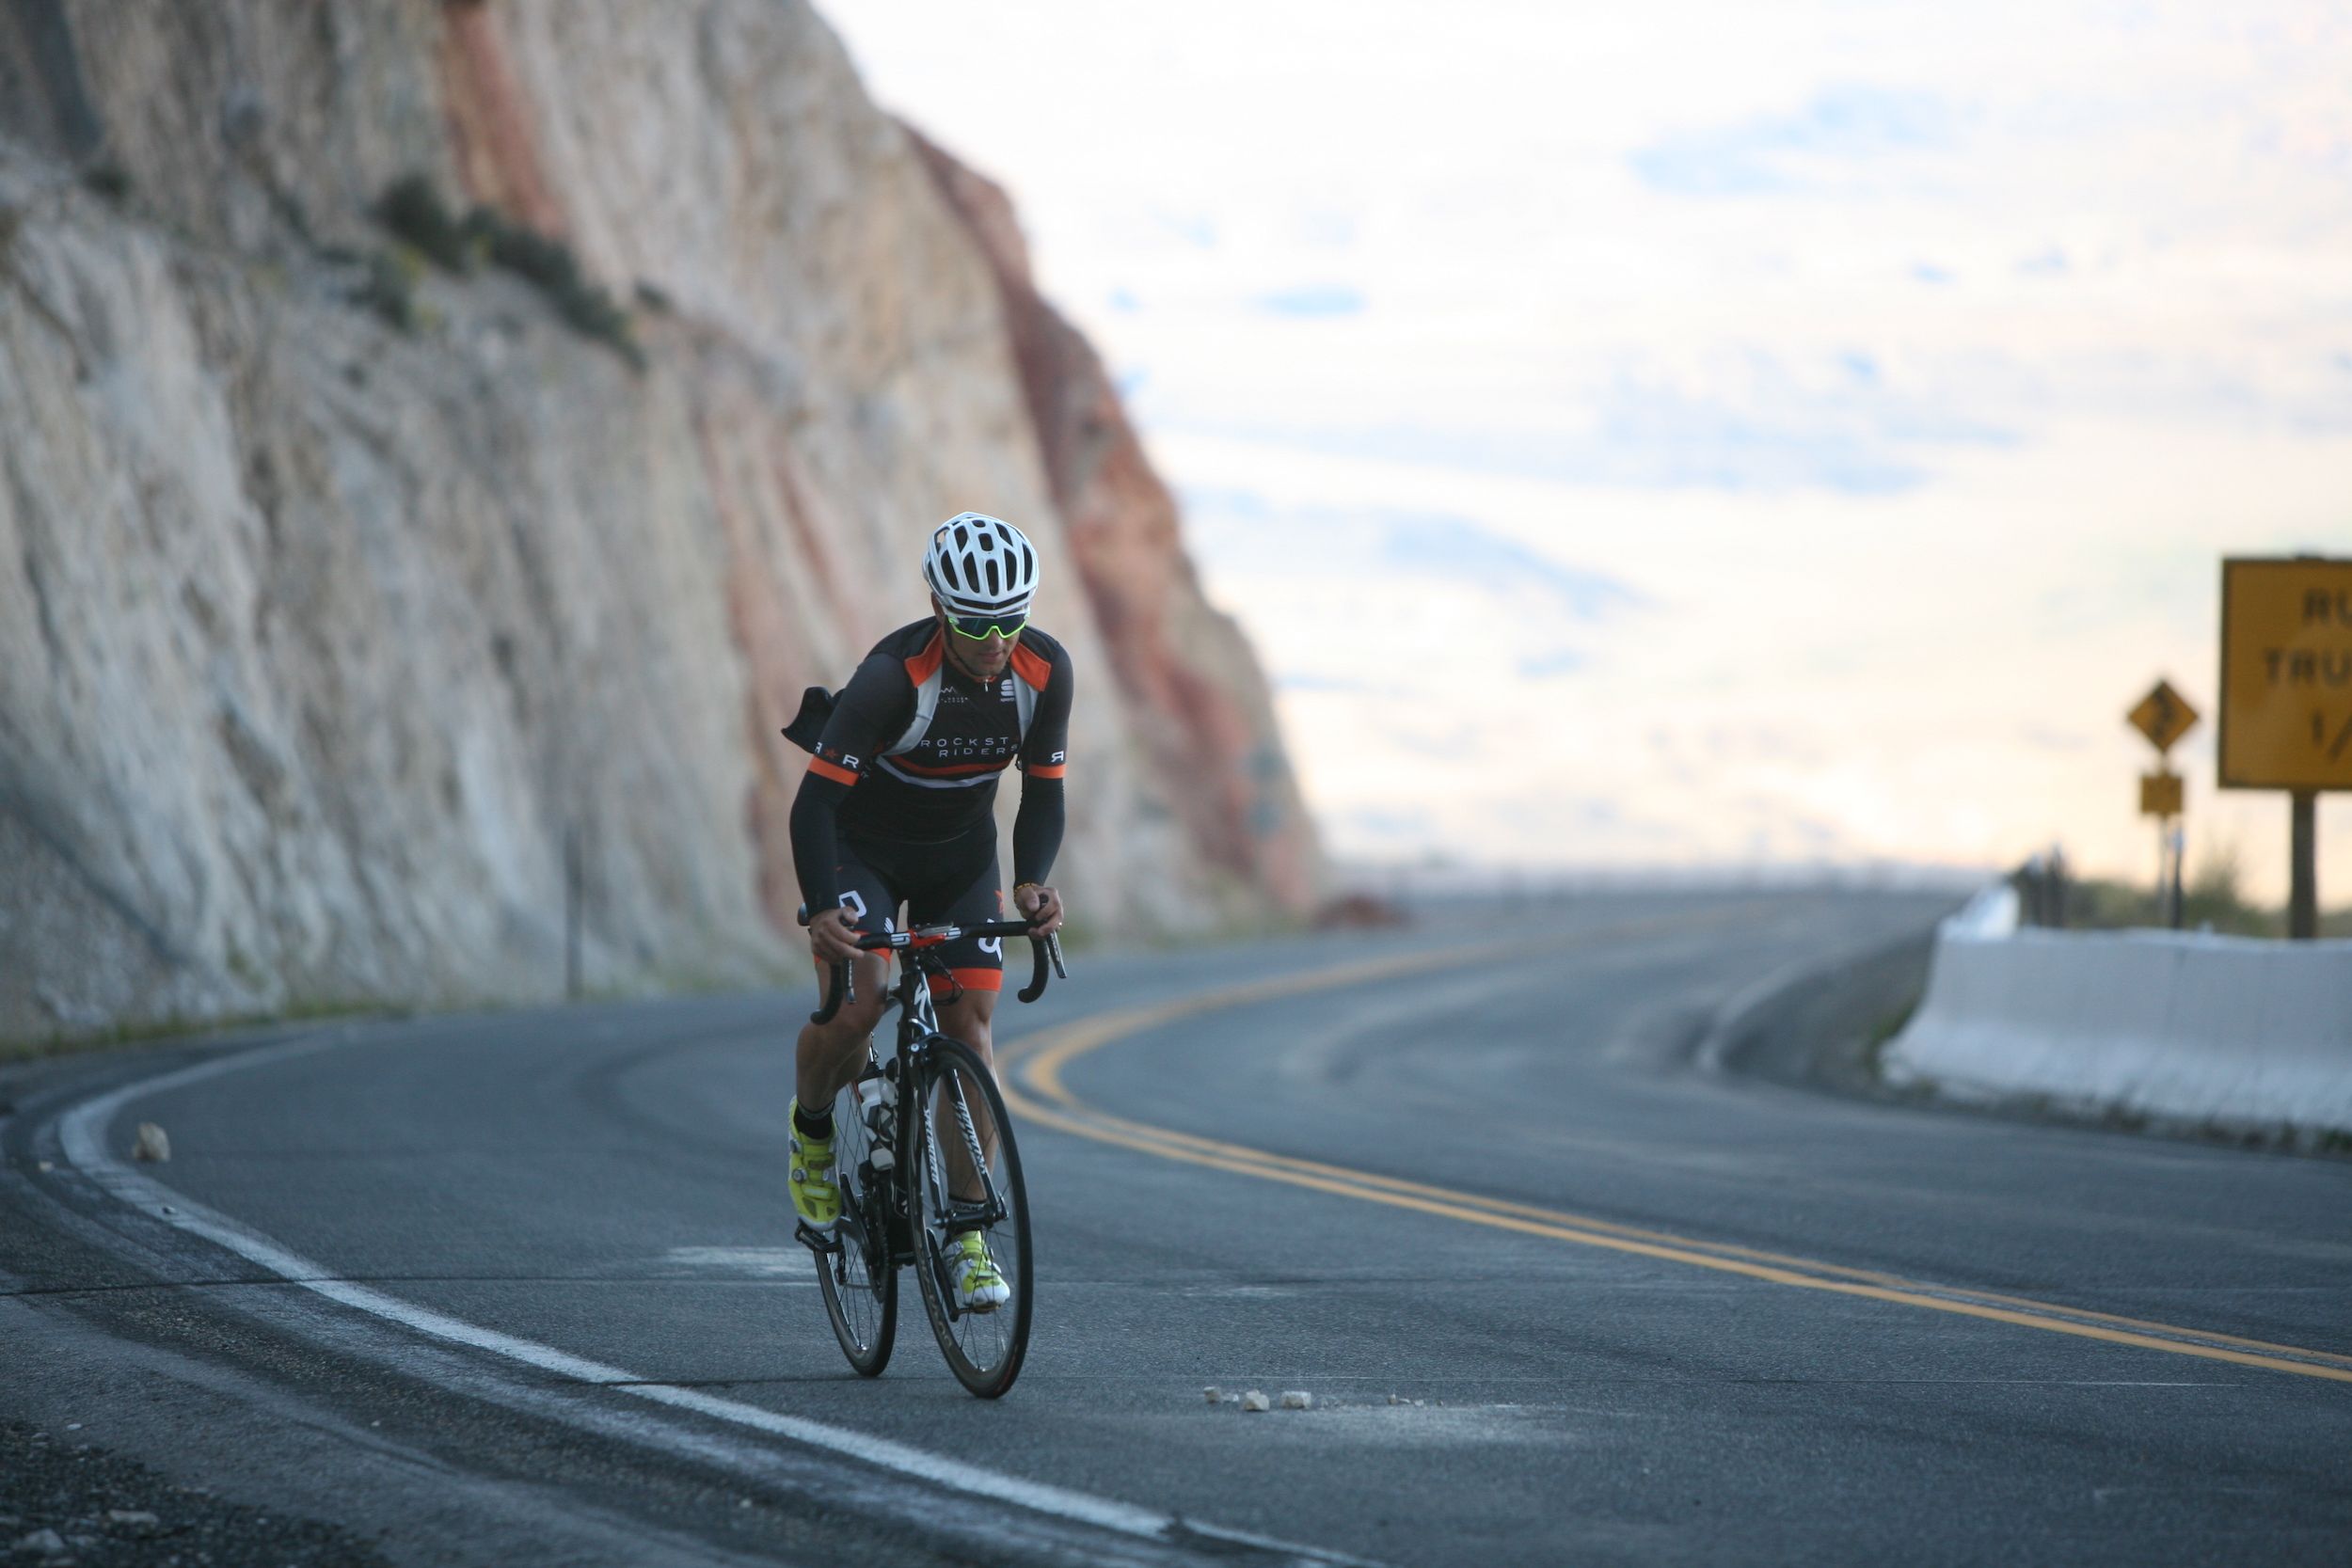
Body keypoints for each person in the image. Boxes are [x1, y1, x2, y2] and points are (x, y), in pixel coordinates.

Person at [785, 512, 1070, 1311]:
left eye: (1012, 618)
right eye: (977, 621)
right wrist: (817, 909)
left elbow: (1043, 793)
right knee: (861, 1002)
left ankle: (969, 1235)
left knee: (970, 1029)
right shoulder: (892, 679)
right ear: (942, 608)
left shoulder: (1046, 672)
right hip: (859, 850)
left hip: (958, 854)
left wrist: (1032, 882)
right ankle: (811, 1134)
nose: (995, 637)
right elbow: (812, 805)